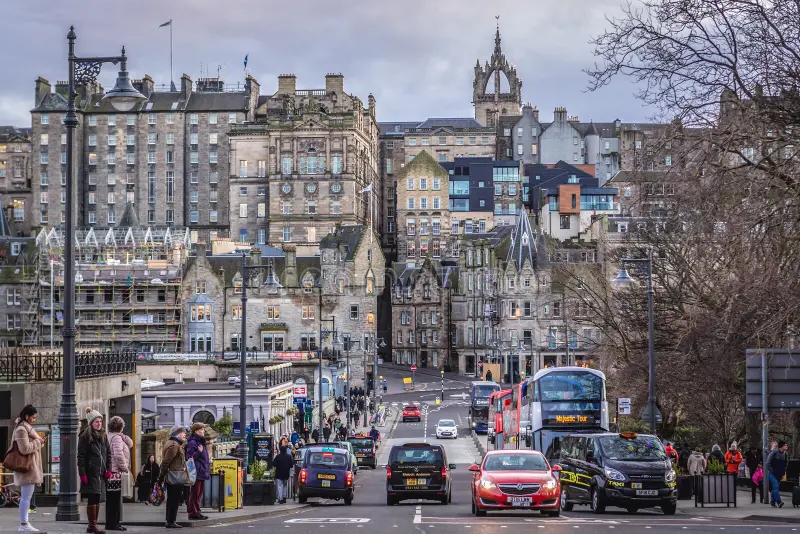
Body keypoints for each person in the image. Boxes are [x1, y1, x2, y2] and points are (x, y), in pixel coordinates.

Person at [78, 408, 111, 534]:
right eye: (96, 421)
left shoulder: (104, 435)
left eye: (100, 421)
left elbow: (108, 454)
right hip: (91, 473)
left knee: (97, 498)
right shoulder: (85, 437)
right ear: (91, 423)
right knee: (92, 498)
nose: (99, 423)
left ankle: (93, 524)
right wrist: (82, 473)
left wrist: (108, 469)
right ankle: (92, 525)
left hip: (101, 474)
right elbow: (81, 457)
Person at [12, 405, 44, 532]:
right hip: (26, 468)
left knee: (27, 497)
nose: (34, 420)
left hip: (30, 467)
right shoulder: (21, 429)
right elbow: (24, 449)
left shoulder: (27, 428)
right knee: (26, 497)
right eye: (33, 417)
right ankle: (23, 524)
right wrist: (38, 442)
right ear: (26, 416)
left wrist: (39, 442)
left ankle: (25, 523)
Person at [106, 416, 133, 531]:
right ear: (120, 427)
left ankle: (113, 523)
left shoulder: (111, 436)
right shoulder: (116, 439)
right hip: (115, 472)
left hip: (111, 472)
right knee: (115, 500)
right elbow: (118, 455)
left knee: (113, 499)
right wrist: (125, 468)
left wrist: (124, 437)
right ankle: (113, 524)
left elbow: (130, 444)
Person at [159, 426, 188, 528]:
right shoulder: (174, 445)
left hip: (175, 475)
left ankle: (170, 520)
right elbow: (166, 462)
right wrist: (161, 476)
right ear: (177, 434)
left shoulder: (175, 444)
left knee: (173, 499)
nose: (185, 434)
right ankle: (170, 521)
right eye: (183, 432)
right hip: (174, 476)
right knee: (174, 499)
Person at [185, 423, 210, 521]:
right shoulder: (193, 442)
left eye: (203, 430)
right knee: (195, 493)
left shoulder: (200, 441)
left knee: (198, 493)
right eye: (201, 430)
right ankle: (192, 512)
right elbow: (189, 457)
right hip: (197, 472)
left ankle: (197, 511)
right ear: (196, 431)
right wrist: (198, 452)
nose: (203, 431)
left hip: (202, 470)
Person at [765, 441, 789, 508]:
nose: (786, 446)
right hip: (772, 473)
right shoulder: (774, 452)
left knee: (774, 488)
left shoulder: (785, 454)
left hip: (779, 474)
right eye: (785, 445)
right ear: (781, 446)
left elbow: (786, 463)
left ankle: (772, 503)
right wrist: (772, 471)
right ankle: (779, 502)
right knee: (775, 486)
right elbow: (767, 463)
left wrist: (783, 471)